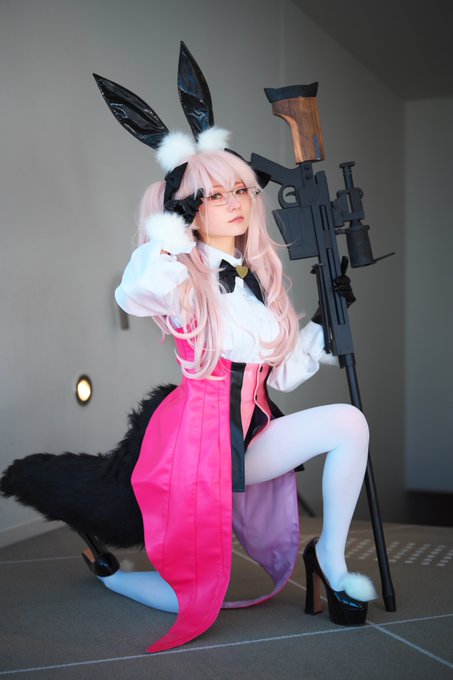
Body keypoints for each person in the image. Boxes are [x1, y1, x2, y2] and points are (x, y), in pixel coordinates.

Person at [80, 138, 376, 653]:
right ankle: (113, 576)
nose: (236, 202)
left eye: (241, 190)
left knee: (350, 421)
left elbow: (279, 376)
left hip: (250, 436)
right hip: (198, 445)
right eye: (215, 195)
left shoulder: (256, 277)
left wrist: (324, 323)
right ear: (189, 210)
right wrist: (171, 235)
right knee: (197, 600)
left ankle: (330, 560)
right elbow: (132, 294)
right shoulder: (179, 276)